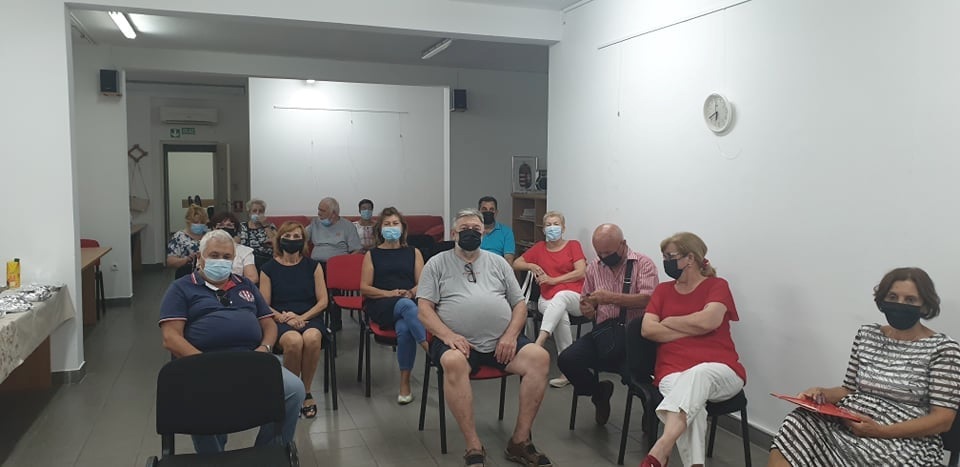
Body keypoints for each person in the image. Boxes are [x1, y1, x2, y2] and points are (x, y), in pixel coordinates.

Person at [768, 267, 960, 467]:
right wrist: (820, 394)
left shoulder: (943, 349)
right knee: (797, 423)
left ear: (925, 305)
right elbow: (848, 390)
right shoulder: (867, 335)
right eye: (892, 297)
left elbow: (943, 419)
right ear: (883, 300)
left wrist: (881, 431)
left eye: (910, 300)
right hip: (850, 424)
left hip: (902, 440)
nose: (900, 304)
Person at [418, 209, 552, 467]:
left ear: (483, 234)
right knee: (453, 362)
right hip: (457, 343)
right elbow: (424, 310)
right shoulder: (436, 264)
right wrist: (447, 335)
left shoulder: (498, 262)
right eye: (464, 229)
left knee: (540, 357)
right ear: (454, 233)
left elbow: (519, 304)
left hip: (502, 342)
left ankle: (520, 441)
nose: (471, 233)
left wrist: (511, 335)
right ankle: (473, 446)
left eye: (476, 229)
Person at [158, 229, 305, 454]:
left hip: (251, 359)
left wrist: (265, 348)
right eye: (214, 255)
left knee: (294, 390)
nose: (221, 261)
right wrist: (202, 362)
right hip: (202, 362)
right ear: (200, 258)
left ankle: (267, 452)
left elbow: (268, 324)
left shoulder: (245, 285)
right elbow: (171, 337)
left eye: (227, 257)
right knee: (202, 400)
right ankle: (213, 457)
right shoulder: (181, 288)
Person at [639, 232, 746, 467]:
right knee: (692, 407)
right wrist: (694, 327)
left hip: (722, 370)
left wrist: (669, 322)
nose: (666, 262)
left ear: (690, 258)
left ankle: (661, 449)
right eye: (664, 257)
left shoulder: (717, 286)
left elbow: (709, 321)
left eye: (670, 257)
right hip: (671, 372)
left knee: (699, 374)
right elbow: (647, 329)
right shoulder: (663, 290)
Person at [557, 224, 658, 423]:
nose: (603, 257)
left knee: (636, 379)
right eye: (599, 253)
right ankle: (599, 393)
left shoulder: (643, 264)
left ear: (623, 244)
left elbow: (649, 300)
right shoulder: (594, 266)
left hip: (634, 338)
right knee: (567, 360)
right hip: (604, 334)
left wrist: (611, 298)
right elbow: (586, 299)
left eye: (608, 253)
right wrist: (587, 308)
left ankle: (650, 412)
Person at [259, 221, 329, 419]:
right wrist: (283, 318)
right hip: (280, 319)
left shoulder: (313, 266)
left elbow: (323, 301)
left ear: (303, 241)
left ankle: (305, 392)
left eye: (296, 237)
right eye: (287, 236)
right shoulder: (268, 269)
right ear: (279, 240)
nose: (292, 240)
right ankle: (290, 392)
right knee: (294, 341)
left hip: (309, 317)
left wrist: (301, 318)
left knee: (312, 338)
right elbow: (264, 304)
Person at [359, 207, 427, 404]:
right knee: (406, 306)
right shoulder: (372, 254)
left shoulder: (413, 252)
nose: (391, 227)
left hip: (408, 300)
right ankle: (430, 350)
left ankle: (404, 384)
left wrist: (411, 292)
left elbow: (423, 283)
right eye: (387, 224)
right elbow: (364, 288)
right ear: (380, 229)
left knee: (405, 329)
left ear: (402, 227)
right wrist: (389, 293)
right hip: (381, 303)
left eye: (395, 223)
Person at [513, 211, 587, 388]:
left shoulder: (573, 245)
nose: (552, 228)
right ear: (543, 229)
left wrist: (554, 280)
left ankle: (538, 343)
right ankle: (569, 370)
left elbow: (581, 272)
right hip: (547, 298)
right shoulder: (539, 248)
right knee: (560, 315)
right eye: (548, 225)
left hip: (575, 297)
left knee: (561, 297)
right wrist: (531, 265)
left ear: (563, 228)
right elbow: (516, 263)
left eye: (556, 224)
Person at [307, 197, 361, 331]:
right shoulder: (315, 223)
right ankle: (315, 320)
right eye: (318, 209)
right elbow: (301, 236)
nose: (319, 213)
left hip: (338, 268)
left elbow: (356, 250)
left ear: (334, 214)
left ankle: (335, 322)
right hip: (316, 265)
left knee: (330, 287)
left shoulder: (347, 226)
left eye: (322, 211)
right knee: (310, 286)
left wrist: (345, 264)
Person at [209, 211, 258, 284]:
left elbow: (253, 278)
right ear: (214, 228)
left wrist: (231, 286)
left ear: (235, 229)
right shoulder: (205, 249)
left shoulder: (245, 251)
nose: (225, 228)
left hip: (236, 287)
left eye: (229, 225)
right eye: (221, 225)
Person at [166, 205, 209, 278]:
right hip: (186, 275)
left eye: (202, 222)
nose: (199, 224)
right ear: (188, 222)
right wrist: (186, 259)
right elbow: (170, 261)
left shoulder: (209, 236)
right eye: (196, 222)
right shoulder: (179, 237)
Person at [239, 198, 277, 269]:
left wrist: (265, 225)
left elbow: (276, 243)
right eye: (254, 211)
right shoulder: (242, 226)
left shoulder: (270, 226)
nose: (257, 213)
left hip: (266, 259)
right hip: (246, 260)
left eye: (260, 211)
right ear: (249, 213)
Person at [477, 196, 516, 265]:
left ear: (496, 212)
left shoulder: (506, 232)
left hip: (497, 268)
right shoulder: (473, 231)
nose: (488, 212)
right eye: (484, 209)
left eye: (491, 209)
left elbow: (509, 260)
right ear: (479, 212)